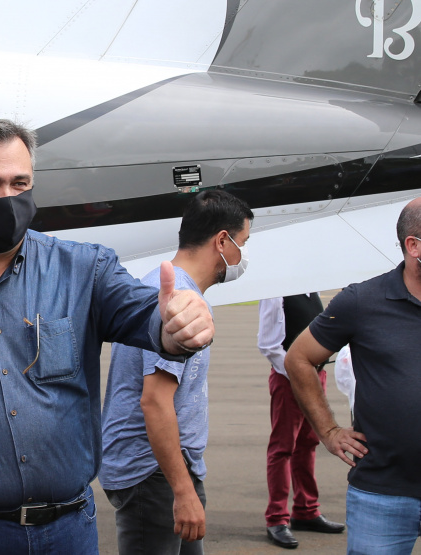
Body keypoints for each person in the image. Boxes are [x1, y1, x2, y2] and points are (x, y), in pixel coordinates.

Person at [0, 114, 215, 554]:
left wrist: (178, 327)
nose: (8, 198)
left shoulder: (85, 269)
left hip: (68, 530)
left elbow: (147, 316)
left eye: (20, 183)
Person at [100, 190, 254, 555]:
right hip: (153, 473)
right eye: (243, 243)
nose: (243, 256)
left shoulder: (166, 287)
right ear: (222, 241)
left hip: (166, 469)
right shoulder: (178, 302)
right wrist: (183, 492)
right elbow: (154, 401)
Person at [285, 197, 421, 555]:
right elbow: (299, 358)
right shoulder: (362, 301)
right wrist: (328, 431)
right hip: (382, 493)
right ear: (414, 246)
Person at [258, 293, 345, 549]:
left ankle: (306, 510)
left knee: (308, 443)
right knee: (283, 448)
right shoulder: (276, 293)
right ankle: (277, 517)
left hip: (315, 376)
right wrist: (298, 373)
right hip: (290, 379)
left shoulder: (311, 290)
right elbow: (269, 345)